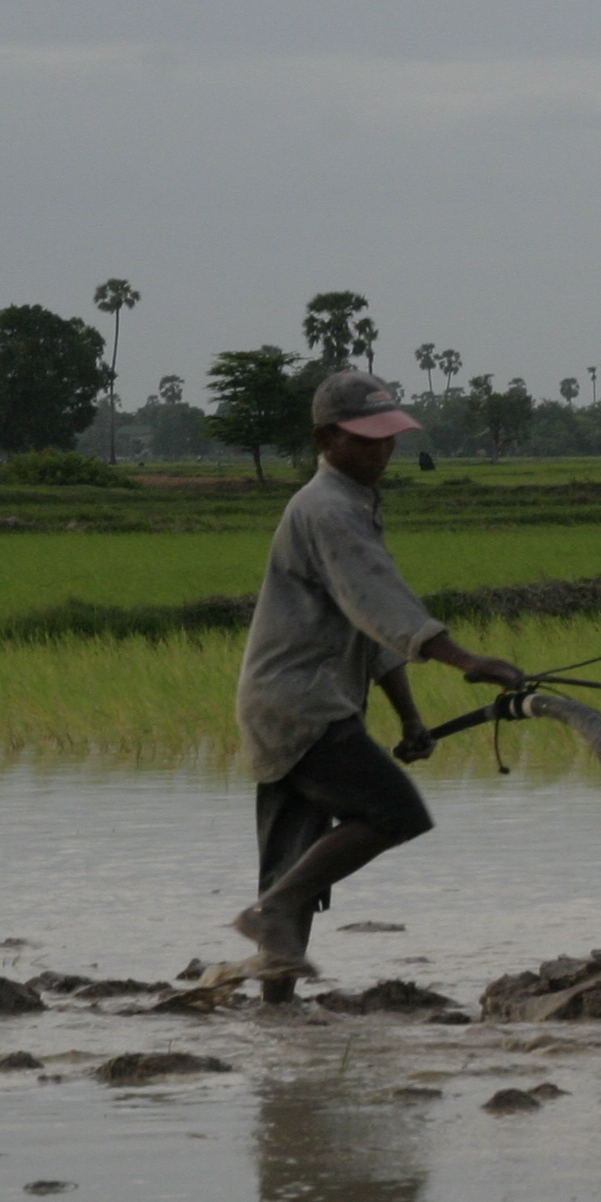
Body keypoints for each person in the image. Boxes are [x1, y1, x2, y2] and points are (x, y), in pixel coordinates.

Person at [230, 370, 525, 996]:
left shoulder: (349, 505)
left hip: (292, 701)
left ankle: (277, 1014)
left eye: (388, 439)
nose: (382, 451)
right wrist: (464, 658)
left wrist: (410, 719)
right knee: (395, 813)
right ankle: (268, 918)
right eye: (366, 440)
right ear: (325, 438)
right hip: (300, 701)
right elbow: (381, 604)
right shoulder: (327, 508)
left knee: (293, 869)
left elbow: (365, 634)